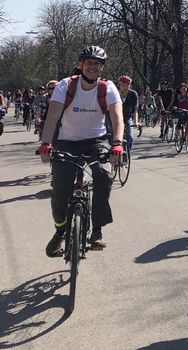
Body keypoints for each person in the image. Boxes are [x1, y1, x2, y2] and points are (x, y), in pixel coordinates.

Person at [38, 45, 124, 257]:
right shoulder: (65, 86)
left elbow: (117, 118)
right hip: (67, 141)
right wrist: (46, 143)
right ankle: (59, 231)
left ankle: (97, 231)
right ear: (80, 65)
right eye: (88, 63)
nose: (92, 67)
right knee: (60, 190)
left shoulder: (108, 88)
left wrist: (117, 143)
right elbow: (53, 117)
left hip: (96, 141)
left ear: (102, 68)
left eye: (97, 64)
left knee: (104, 176)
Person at [118, 75, 139, 153]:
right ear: (119, 85)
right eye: (123, 85)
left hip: (127, 117)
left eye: (127, 85)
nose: (125, 87)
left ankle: (126, 155)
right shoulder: (114, 93)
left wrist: (135, 121)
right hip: (114, 118)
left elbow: (135, 110)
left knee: (130, 137)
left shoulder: (133, 94)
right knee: (111, 136)